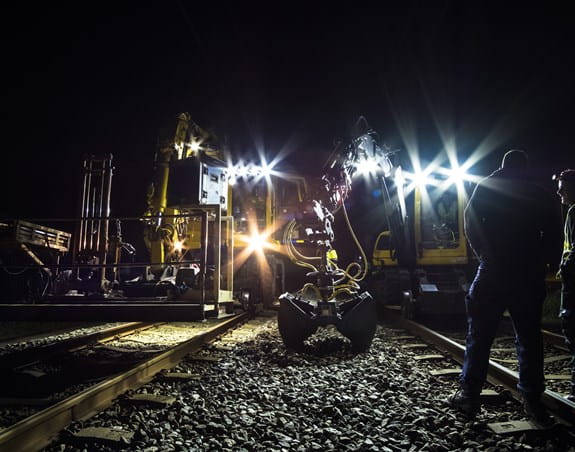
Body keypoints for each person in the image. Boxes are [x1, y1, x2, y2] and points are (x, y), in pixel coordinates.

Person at [448, 149, 557, 427]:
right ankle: (533, 401)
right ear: (526, 168)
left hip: (493, 271)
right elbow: (554, 233)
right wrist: (544, 262)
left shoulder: (485, 188)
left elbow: (470, 223)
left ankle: (470, 396)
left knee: (480, 336)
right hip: (528, 273)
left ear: (503, 167)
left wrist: (485, 254)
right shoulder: (540, 194)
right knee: (530, 338)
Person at [554, 169, 575, 402]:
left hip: (573, 284)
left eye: (563, 187)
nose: (559, 192)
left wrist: (567, 268)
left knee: (572, 330)